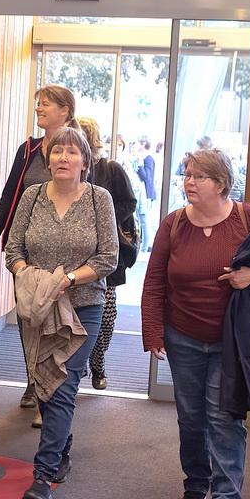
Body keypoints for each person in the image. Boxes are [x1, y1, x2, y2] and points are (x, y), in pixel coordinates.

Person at [141, 149, 250, 499]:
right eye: (187, 174)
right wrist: (153, 332)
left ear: (220, 184)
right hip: (183, 336)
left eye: (198, 176)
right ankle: (196, 483)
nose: (189, 182)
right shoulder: (173, 224)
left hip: (231, 340)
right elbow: (154, 281)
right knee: (191, 417)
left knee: (224, 416)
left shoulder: (246, 217)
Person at [4, 127, 119, 499]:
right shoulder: (32, 196)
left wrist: (66, 280)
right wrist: (30, 277)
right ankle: (62, 448)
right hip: (37, 306)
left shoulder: (99, 199)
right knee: (43, 382)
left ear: (85, 161)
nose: (63, 158)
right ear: (48, 159)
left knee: (64, 384)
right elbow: (13, 250)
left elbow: (108, 258)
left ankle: (43, 474)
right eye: (57, 152)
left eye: (71, 152)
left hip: (83, 305)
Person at [0, 84, 78, 412]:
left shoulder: (78, 149)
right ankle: (33, 380)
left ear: (65, 111)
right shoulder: (28, 150)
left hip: (65, 254)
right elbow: (9, 194)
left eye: (46, 104)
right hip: (26, 252)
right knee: (30, 316)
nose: (39, 109)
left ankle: (55, 382)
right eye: (38, 104)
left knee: (58, 318)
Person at [77, 117, 138, 391]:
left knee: (106, 315)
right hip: (74, 255)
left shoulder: (110, 169)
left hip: (106, 253)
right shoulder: (69, 173)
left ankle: (98, 361)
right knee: (75, 316)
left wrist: (104, 221)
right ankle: (77, 367)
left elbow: (129, 202)